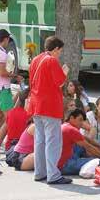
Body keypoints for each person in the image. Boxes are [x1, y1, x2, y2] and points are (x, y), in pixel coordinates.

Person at [28, 36, 71, 184]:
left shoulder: (36, 59)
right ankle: (53, 175)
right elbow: (60, 82)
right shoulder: (51, 60)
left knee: (40, 141)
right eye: (60, 51)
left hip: (36, 105)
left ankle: (40, 172)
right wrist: (64, 72)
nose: (60, 54)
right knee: (53, 142)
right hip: (50, 106)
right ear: (55, 49)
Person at [58, 109, 100, 176]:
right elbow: (88, 147)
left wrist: (99, 146)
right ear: (71, 118)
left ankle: (88, 159)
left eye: (83, 120)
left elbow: (84, 138)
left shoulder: (65, 125)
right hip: (65, 165)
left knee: (82, 146)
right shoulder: (71, 129)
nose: (82, 123)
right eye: (80, 120)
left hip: (62, 161)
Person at [0, 29, 15, 130]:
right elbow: (2, 72)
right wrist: (14, 75)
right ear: (5, 39)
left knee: (1, 117)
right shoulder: (2, 54)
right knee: (9, 117)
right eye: (8, 39)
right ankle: (11, 140)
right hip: (4, 88)